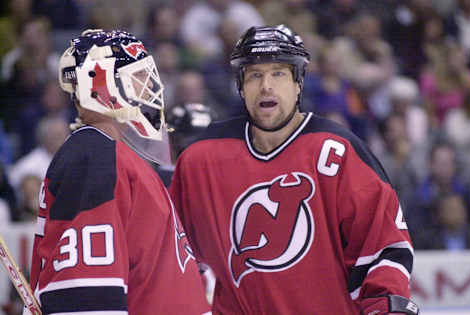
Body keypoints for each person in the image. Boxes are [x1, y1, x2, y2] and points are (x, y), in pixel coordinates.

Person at [169, 24, 419, 314]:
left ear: (298, 82)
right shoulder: (201, 159)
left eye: (278, 73)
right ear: (241, 85)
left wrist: (385, 306)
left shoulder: (338, 151)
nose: (266, 86)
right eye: (254, 75)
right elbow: (174, 253)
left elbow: (384, 247)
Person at [25, 29, 211, 314]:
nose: (149, 88)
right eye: (138, 78)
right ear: (101, 84)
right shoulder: (94, 159)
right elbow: (87, 298)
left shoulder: (110, 156)